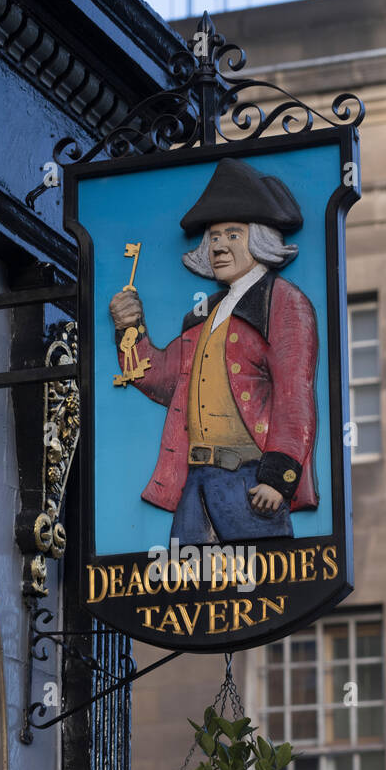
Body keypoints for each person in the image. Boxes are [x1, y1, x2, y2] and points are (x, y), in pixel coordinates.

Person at [108, 158, 318, 543]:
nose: (219, 246)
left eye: (232, 235)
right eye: (215, 236)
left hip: (251, 483)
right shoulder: (204, 315)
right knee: (187, 594)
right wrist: (130, 328)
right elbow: (160, 377)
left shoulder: (284, 303)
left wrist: (277, 479)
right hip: (195, 482)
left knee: (264, 589)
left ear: (260, 239)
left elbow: (294, 396)